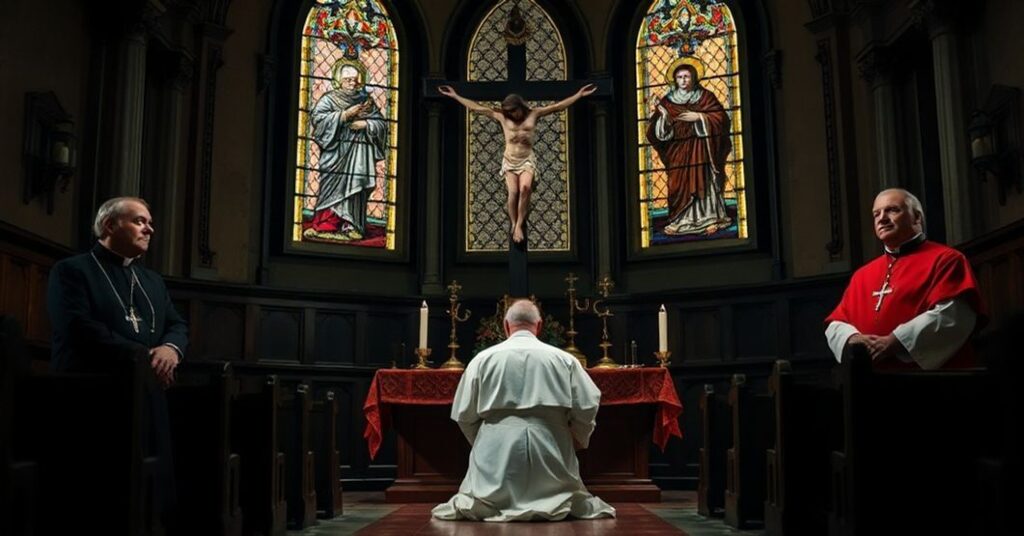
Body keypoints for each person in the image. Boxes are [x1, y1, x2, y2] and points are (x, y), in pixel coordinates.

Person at [47, 196, 188, 521]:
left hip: (146, 397)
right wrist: (143, 356)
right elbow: (77, 327)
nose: (149, 228)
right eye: (139, 221)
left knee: (149, 498)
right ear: (109, 225)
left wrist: (170, 350)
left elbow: (177, 324)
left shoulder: (151, 281)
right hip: (91, 399)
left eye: (150, 222)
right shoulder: (71, 271)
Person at [432, 300, 615, 522]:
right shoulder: (565, 360)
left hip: (495, 458)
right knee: (562, 492)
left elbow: (464, 415)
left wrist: (482, 441)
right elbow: (587, 406)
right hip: (551, 449)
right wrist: (578, 438)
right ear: (539, 325)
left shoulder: (482, 360)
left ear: (506, 325)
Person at [824, 188, 985, 369]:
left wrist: (895, 342)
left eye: (892, 210)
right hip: (870, 379)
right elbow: (837, 323)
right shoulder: (862, 275)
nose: (882, 218)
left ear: (917, 218)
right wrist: (854, 339)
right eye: (876, 214)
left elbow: (954, 315)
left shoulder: (947, 260)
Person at [439, 84, 596, 243]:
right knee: (513, 192)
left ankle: (520, 224)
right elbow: (477, 108)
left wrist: (579, 95)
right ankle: (514, 224)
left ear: (520, 106)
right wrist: (455, 96)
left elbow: (558, 106)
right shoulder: (503, 117)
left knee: (525, 188)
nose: (513, 114)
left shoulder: (534, 114)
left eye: (514, 110)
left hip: (527, 159)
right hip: (509, 160)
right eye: (510, 112)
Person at [646, 57, 733, 236]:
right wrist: (664, 117)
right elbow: (657, 133)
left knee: (703, 179)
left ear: (694, 77)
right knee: (679, 183)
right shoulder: (668, 101)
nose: (683, 80)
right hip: (677, 150)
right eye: (679, 77)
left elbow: (721, 119)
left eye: (687, 76)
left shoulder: (706, 96)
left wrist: (700, 118)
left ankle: (709, 218)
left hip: (701, 147)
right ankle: (680, 220)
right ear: (674, 79)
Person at [305, 59, 388, 242]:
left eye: (355, 80)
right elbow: (317, 120)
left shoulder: (365, 100)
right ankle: (325, 225)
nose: (352, 83)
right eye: (348, 80)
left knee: (356, 185)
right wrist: (344, 115)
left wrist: (366, 124)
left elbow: (381, 124)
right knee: (330, 187)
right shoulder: (329, 99)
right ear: (338, 81)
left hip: (359, 154)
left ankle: (352, 226)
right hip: (335, 153)